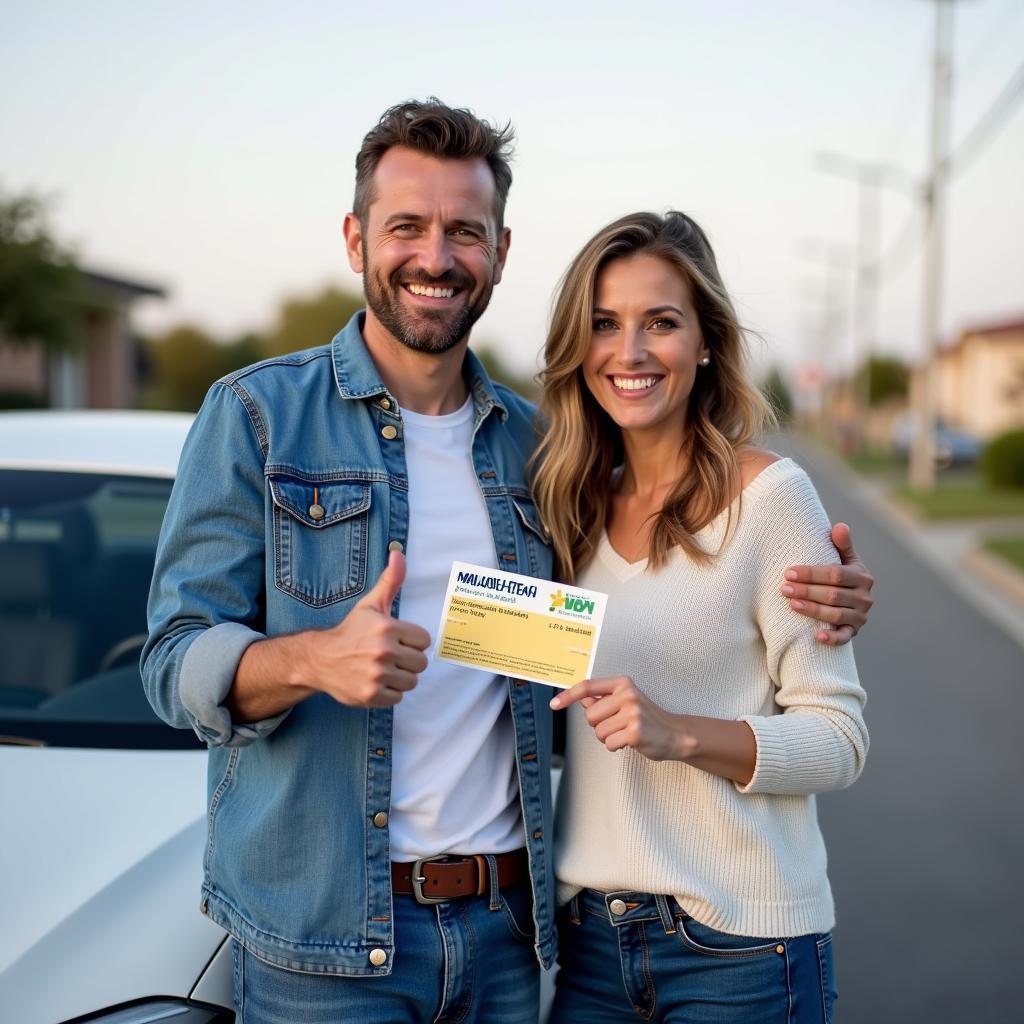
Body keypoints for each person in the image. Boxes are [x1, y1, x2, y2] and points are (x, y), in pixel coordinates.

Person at [142, 101, 873, 1024]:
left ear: (501, 250)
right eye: (406, 225)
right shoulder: (256, 417)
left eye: (465, 232)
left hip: (506, 939)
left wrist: (822, 594)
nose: (435, 258)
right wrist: (307, 661)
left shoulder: (538, 457)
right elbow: (172, 659)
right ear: (355, 237)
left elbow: (610, 642)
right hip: (325, 948)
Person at [534, 210, 869, 1023]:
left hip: (741, 952)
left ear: (707, 339)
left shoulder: (772, 497)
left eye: (661, 322)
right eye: (605, 324)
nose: (631, 351)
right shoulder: (563, 505)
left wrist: (679, 733)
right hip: (590, 949)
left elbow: (840, 740)